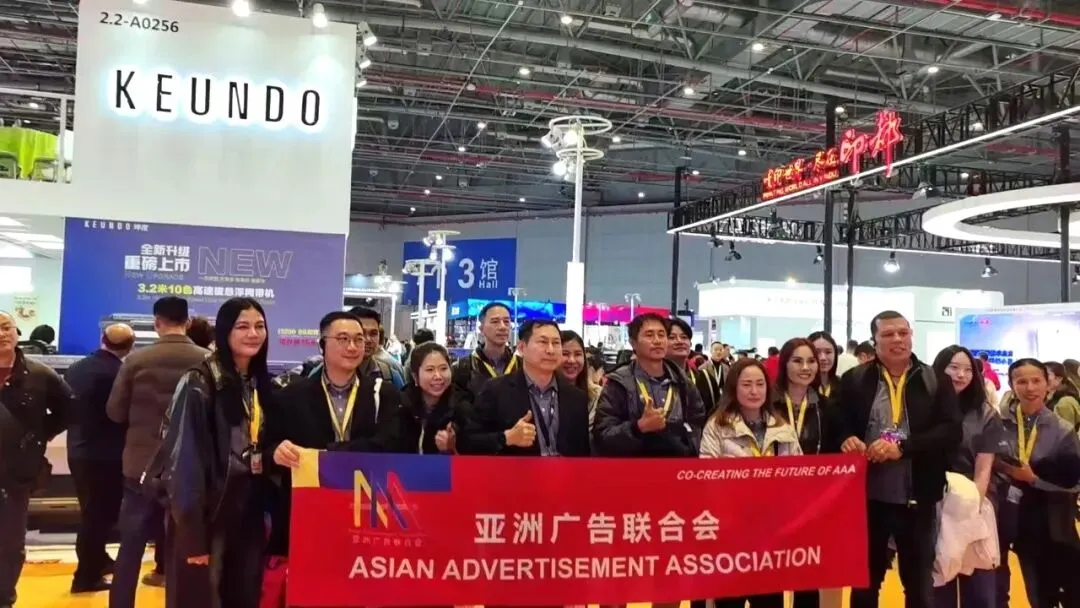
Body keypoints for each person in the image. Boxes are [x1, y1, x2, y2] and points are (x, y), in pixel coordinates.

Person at [832, 310, 961, 608]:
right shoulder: (855, 379)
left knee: (918, 585)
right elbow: (837, 420)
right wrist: (846, 438)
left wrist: (904, 447)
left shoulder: (934, 380)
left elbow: (951, 431)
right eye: (888, 334)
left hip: (918, 497)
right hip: (868, 498)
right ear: (874, 340)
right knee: (865, 583)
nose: (898, 340)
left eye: (903, 333)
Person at [160, 297, 273, 608]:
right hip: (211, 511)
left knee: (243, 594)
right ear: (225, 331)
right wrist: (193, 534)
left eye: (260, 326)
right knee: (201, 598)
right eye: (243, 326)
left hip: (248, 508)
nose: (253, 334)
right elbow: (183, 462)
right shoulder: (199, 381)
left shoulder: (257, 382)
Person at [267, 311, 402, 555]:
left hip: (367, 509)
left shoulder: (384, 394)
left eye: (358, 339)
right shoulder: (291, 396)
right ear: (322, 345)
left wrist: (325, 454)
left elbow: (388, 446)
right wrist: (276, 452)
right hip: (309, 512)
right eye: (342, 339)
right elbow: (269, 447)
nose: (353, 347)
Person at [107, 296, 209, 605]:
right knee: (182, 547)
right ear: (187, 322)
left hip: (140, 466)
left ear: (156, 323)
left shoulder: (136, 361)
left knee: (131, 545)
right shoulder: (207, 360)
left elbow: (115, 411)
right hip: (188, 470)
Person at [699, 357, 799, 608]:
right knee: (728, 601)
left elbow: (799, 475)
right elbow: (705, 477)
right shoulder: (717, 426)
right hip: (731, 534)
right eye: (746, 385)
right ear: (734, 388)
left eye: (760, 384)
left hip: (771, 534)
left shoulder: (783, 428)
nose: (754, 391)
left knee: (769, 601)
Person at [0, 311, 72, 608]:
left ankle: (4, 598)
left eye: (6, 327)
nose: (2, 334)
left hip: (16, 473)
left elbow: (70, 410)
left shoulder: (40, 374)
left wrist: (40, 435)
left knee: (10, 543)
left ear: (17, 332)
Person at [997, 358, 1080, 608]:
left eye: (1036, 381)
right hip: (1015, 521)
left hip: (1053, 523)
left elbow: (1074, 483)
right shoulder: (1000, 425)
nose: (1030, 388)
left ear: (1048, 384)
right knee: (1036, 593)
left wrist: (1033, 480)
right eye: (1022, 381)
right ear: (1012, 385)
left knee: (1069, 591)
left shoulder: (1062, 430)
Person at [64, 323, 135, 593]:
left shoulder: (77, 368)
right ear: (130, 347)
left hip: (79, 450)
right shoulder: (119, 373)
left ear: (102, 339)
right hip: (106, 455)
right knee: (99, 518)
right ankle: (86, 576)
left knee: (91, 512)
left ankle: (99, 561)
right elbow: (121, 414)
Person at [930, 345, 1002, 608]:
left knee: (980, 588)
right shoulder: (925, 408)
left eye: (968, 369)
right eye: (953, 368)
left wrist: (971, 509)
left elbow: (984, 467)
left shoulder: (985, 413)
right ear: (939, 369)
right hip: (934, 502)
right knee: (937, 584)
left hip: (974, 502)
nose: (961, 375)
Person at [460, 319, 590, 457]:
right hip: (517, 470)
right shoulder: (496, 390)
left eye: (556, 343)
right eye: (543, 342)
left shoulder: (576, 397)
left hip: (565, 470)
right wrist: (506, 437)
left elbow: (583, 453)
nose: (550, 350)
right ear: (522, 348)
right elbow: (467, 442)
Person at [593, 313, 706, 459]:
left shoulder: (683, 382)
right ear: (633, 343)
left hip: (677, 466)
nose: (657, 341)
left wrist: (685, 444)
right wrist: (638, 427)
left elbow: (697, 422)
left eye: (661, 335)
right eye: (649, 335)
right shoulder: (619, 383)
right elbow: (603, 435)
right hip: (633, 466)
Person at [397, 342, 466, 454]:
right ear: (415, 376)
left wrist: (453, 447)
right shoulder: (400, 404)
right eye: (430, 370)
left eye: (443, 368)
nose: (438, 376)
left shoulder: (463, 405)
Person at [452, 302, 518, 398]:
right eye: (495, 321)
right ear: (481, 329)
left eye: (506, 321)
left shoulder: (521, 365)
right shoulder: (463, 368)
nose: (502, 327)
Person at [350, 307, 406, 389]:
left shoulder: (390, 376)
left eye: (373, 333)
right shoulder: (332, 374)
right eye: (361, 333)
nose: (368, 340)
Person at [560, 330, 601, 423]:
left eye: (578, 354)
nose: (571, 360)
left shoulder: (597, 396)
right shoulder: (546, 397)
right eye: (565, 354)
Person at [808, 331, 841, 398]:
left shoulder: (843, 385)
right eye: (817, 352)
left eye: (828, 352)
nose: (823, 358)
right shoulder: (801, 387)